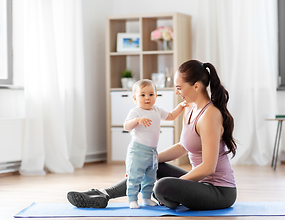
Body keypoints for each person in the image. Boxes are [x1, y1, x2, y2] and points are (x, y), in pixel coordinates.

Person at [67, 60, 237, 210]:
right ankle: (104, 194)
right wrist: (144, 160)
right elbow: (183, 147)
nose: (177, 92)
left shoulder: (210, 115)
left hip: (219, 191)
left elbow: (208, 168)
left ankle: (169, 196)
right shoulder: (191, 108)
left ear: (196, 86)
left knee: (162, 186)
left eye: (179, 88)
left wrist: (179, 184)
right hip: (200, 184)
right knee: (153, 164)